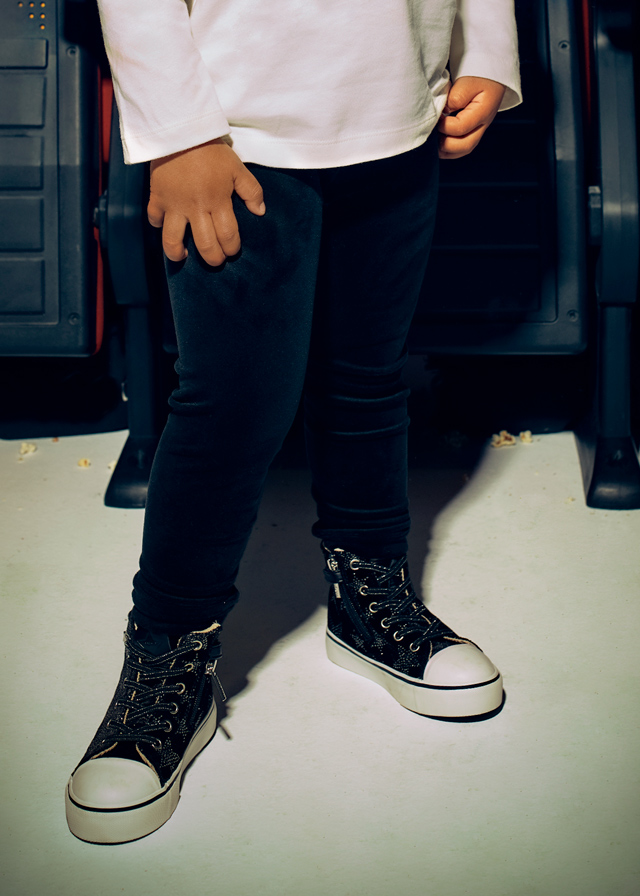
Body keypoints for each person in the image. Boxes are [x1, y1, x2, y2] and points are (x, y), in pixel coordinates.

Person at [65, 0, 522, 844]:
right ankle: (169, 653)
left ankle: (366, 602)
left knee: (368, 378)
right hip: (235, 127)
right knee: (233, 406)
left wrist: (489, 48)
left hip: (400, 101)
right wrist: (179, 134)